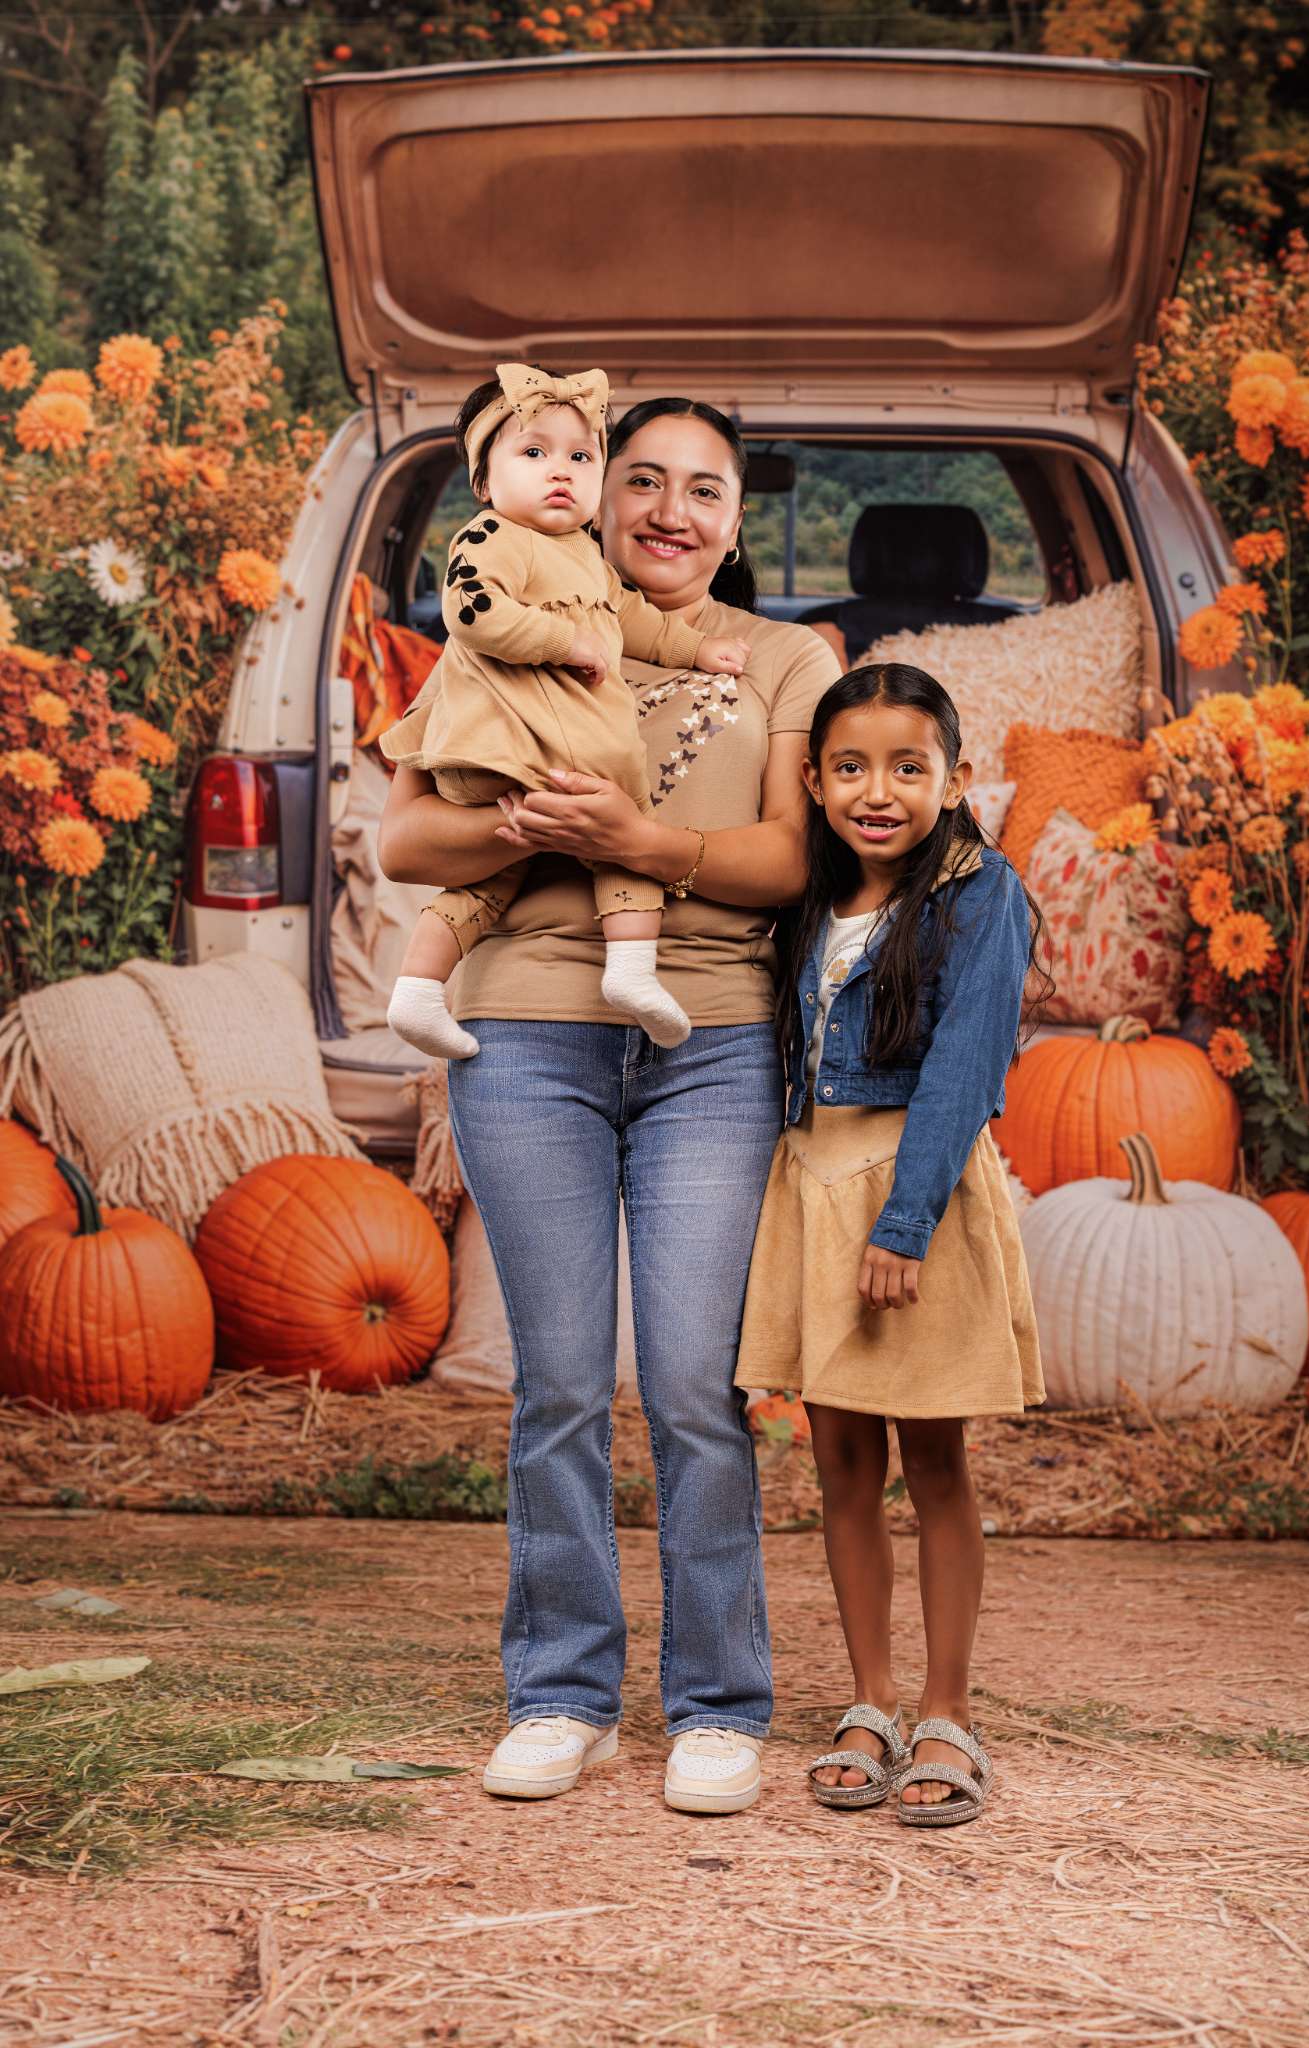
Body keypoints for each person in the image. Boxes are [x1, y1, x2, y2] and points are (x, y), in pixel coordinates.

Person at [377, 396, 841, 1814]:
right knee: (561, 1382)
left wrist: (637, 841)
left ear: (736, 516)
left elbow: (786, 859)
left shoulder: (783, 660)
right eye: (638, 478)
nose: (666, 510)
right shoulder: (507, 601)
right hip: (524, 1034)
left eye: (703, 488)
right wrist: (524, 828)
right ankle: (562, 1692)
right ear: (584, 489)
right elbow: (404, 836)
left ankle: (715, 1704)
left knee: (696, 1386)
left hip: (709, 1042)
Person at [735, 662, 1048, 1827]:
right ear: (812, 782)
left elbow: (966, 1068)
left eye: (909, 767)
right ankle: (868, 1698)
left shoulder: (979, 894)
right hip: (812, 1182)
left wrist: (905, 1221)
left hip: (908, 1192)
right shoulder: (809, 898)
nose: (880, 791)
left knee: (936, 1461)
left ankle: (946, 1706)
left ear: (954, 778)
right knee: (840, 1467)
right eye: (852, 767)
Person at [381, 363, 748, 1061]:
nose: (560, 472)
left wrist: (697, 651)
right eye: (533, 453)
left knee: (489, 883)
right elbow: (472, 610)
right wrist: (562, 639)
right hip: (511, 749)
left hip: (533, 764)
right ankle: (633, 971)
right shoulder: (491, 538)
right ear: (485, 484)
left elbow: (631, 622)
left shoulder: (582, 559)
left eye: (580, 457)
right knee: (625, 828)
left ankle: (417, 991)